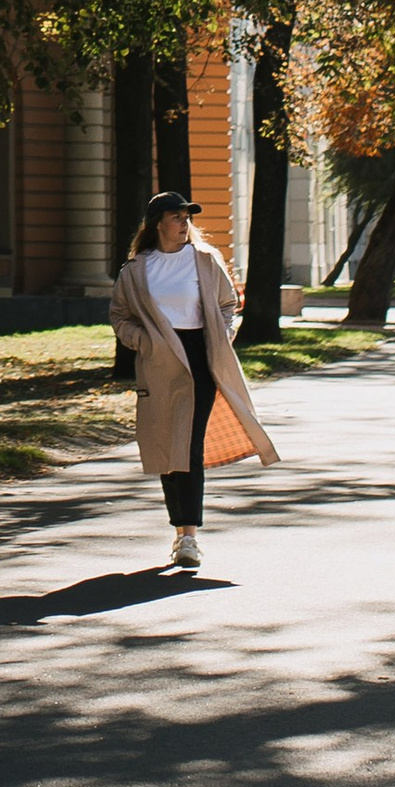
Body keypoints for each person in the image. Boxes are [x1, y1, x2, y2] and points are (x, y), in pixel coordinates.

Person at [110, 189, 279, 569]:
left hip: (201, 358)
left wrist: (222, 336)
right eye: (177, 217)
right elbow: (120, 316)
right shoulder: (137, 269)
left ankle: (189, 538)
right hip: (159, 361)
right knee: (167, 449)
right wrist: (143, 342)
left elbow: (228, 304)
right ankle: (180, 531)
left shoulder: (204, 259)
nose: (184, 224)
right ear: (158, 224)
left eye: (187, 218)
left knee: (187, 447)